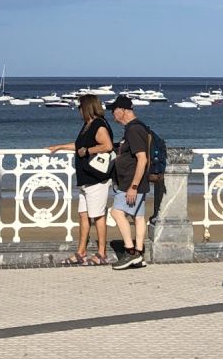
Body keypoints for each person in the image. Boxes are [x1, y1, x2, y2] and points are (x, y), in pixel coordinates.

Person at [47, 94, 114, 265]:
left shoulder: (98, 124)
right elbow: (79, 146)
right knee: (83, 215)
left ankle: (101, 253)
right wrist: (60, 147)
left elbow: (107, 145)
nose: (78, 111)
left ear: (86, 108)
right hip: (85, 178)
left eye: (80, 107)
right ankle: (81, 252)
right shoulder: (87, 125)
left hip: (97, 178)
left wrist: (89, 150)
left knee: (98, 216)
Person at [107, 95, 151, 268]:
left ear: (123, 110)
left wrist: (133, 186)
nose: (113, 115)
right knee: (138, 217)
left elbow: (142, 158)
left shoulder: (133, 129)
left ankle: (130, 252)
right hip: (137, 181)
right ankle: (139, 254)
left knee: (116, 213)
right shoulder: (137, 127)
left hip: (131, 181)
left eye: (114, 111)